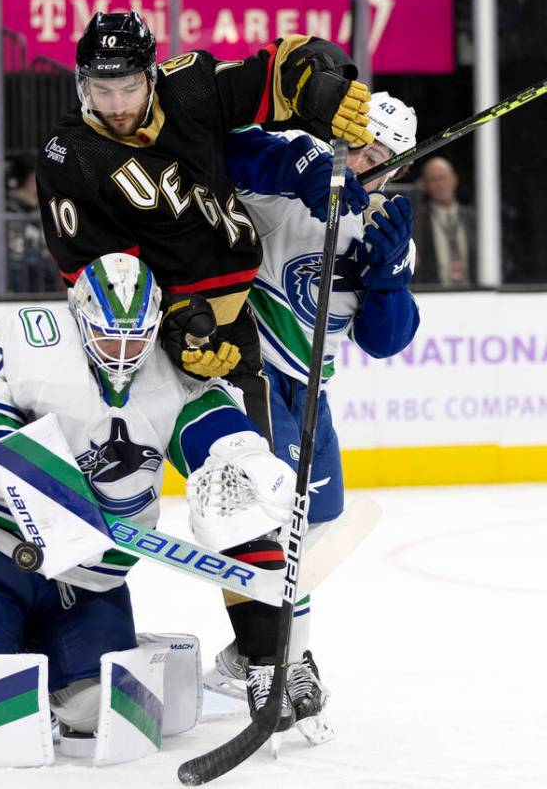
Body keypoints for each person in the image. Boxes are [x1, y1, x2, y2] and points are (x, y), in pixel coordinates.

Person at [0, 252, 298, 742]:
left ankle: (51, 661)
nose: (123, 351)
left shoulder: (172, 359)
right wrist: (45, 481)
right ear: (80, 316)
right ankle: (10, 660)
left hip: (89, 580)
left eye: (137, 336)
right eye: (108, 335)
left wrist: (246, 455)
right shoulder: (32, 335)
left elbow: (201, 424)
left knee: (104, 715)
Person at [37, 11, 373, 452]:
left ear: (152, 77)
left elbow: (273, 72)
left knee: (264, 468)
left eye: (129, 87)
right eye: (103, 90)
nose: (117, 105)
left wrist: (317, 82)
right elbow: (108, 276)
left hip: (237, 321)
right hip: (146, 343)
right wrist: (177, 323)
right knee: (134, 466)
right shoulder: (70, 156)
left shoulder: (190, 87)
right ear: (83, 85)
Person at [207, 92, 421, 735]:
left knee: (318, 527)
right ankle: (275, 659)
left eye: (380, 158)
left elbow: (387, 340)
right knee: (267, 516)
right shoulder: (294, 178)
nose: (364, 163)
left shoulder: (387, 230)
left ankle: (250, 652)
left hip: (311, 393)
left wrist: (387, 278)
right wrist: (307, 171)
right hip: (253, 371)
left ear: (399, 168)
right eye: (355, 146)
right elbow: (228, 151)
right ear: (336, 137)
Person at [411, 156, 477, 286]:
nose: (440, 184)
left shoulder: (474, 219)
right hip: (436, 295)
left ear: (454, 179)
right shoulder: (417, 221)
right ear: (424, 185)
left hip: (474, 293)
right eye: (433, 180)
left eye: (443, 178)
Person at [5, 154, 61, 293]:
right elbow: (13, 243)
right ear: (30, 178)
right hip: (20, 260)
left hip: (45, 260)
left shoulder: (48, 201)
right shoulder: (9, 205)